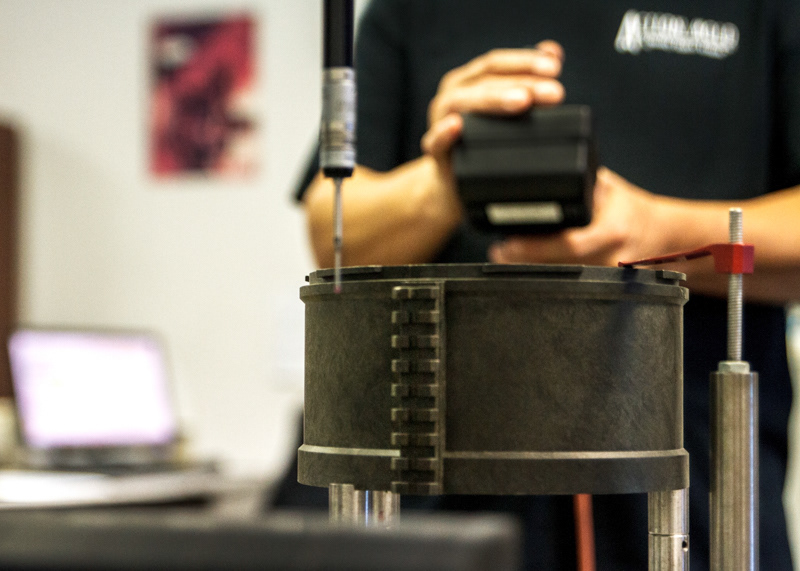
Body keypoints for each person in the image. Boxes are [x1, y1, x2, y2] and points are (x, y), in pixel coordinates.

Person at [281, 1, 800, 569]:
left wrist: (657, 231)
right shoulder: (410, 10)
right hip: (437, 489)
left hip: (690, 501)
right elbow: (334, 232)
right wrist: (448, 179)